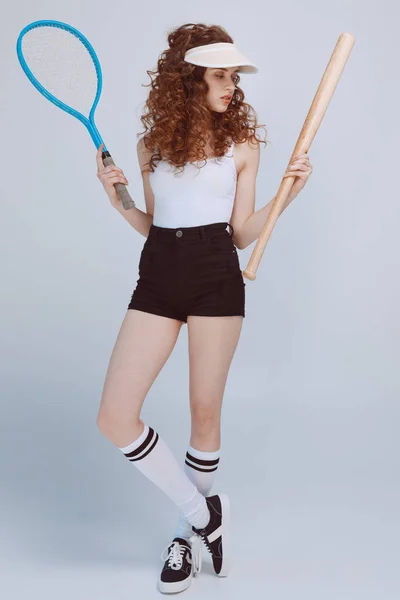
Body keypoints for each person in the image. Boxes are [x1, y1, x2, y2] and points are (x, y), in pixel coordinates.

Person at [95, 23, 312, 595]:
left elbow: (242, 234)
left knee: (203, 411)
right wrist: (114, 196)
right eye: (222, 75)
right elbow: (151, 221)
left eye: (236, 77)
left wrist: (286, 198)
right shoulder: (150, 147)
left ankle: (186, 539)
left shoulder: (243, 146)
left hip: (216, 271)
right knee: (114, 415)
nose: (233, 86)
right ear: (190, 79)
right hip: (159, 270)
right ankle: (203, 515)